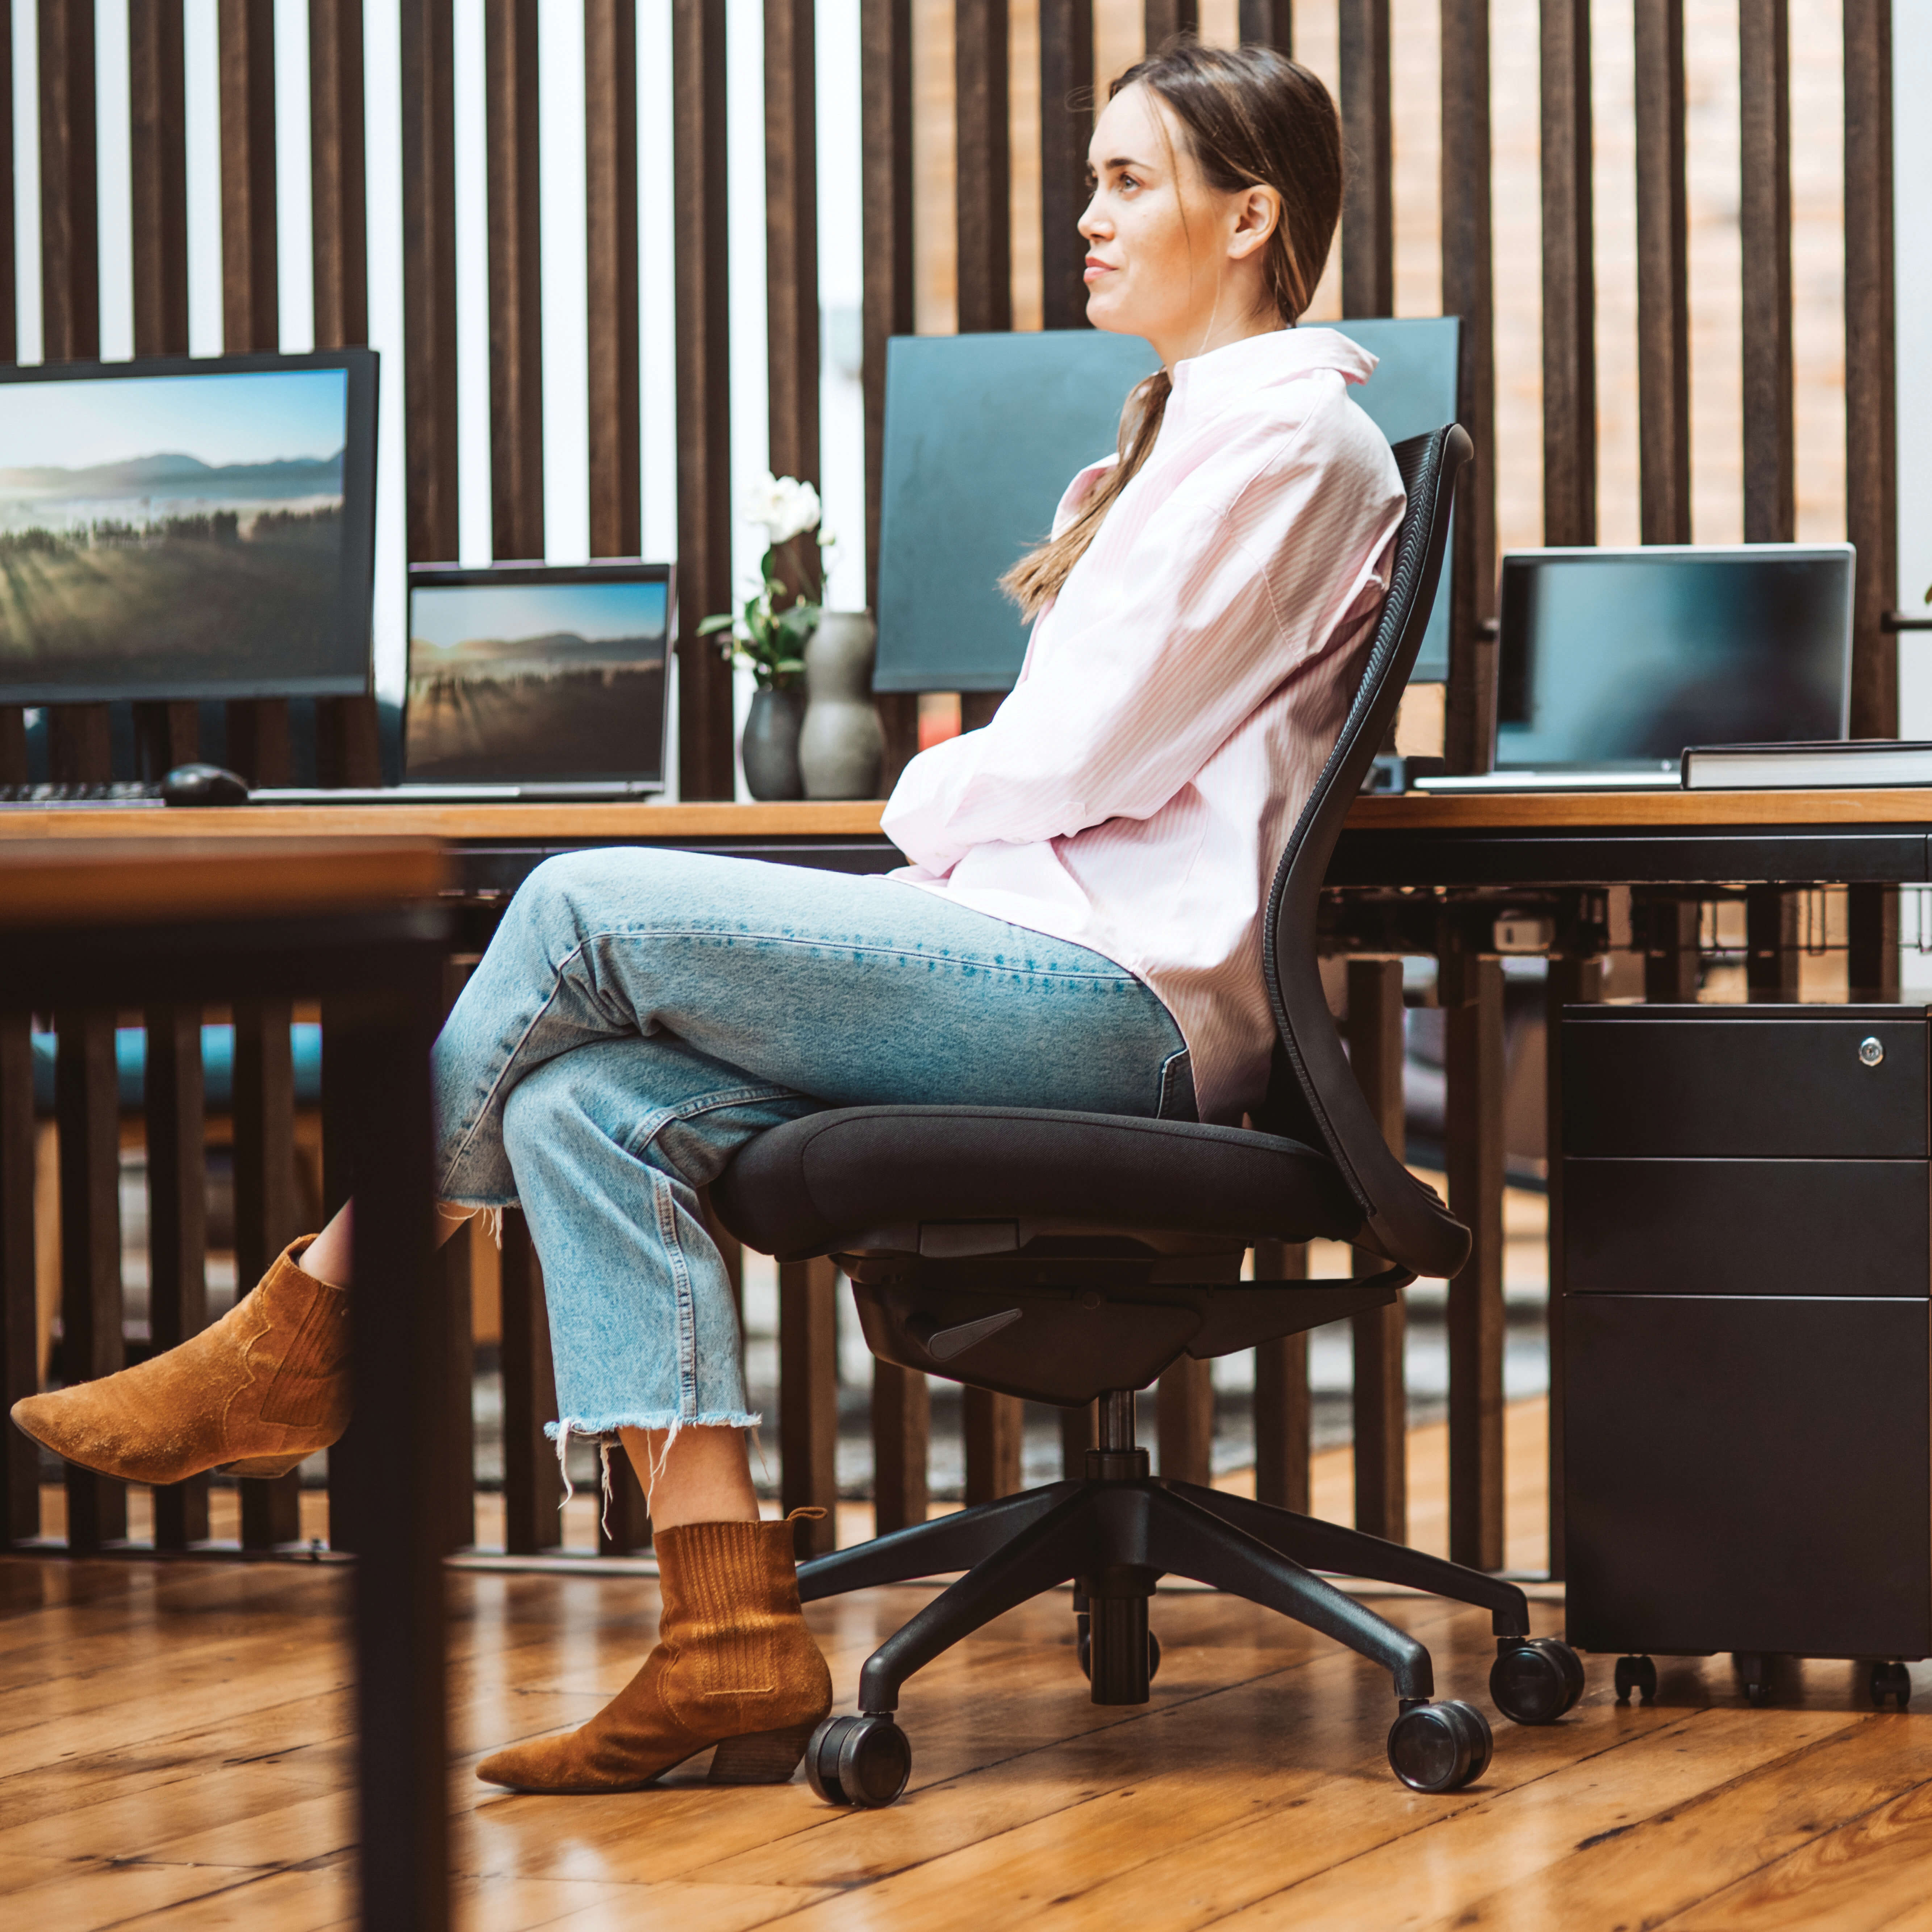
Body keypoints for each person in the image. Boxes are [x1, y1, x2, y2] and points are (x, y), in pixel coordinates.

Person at [11, 39, 1404, 1798]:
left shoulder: (1286, 438)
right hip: (1045, 955)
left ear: (1249, 210)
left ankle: (313, 1330)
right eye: (1095, 178)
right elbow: (1069, 767)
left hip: (1114, 1003)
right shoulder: (1191, 435)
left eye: (1128, 181)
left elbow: (1073, 756)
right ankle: (727, 1632)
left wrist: (927, 796)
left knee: (582, 897)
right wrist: (958, 807)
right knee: (571, 1104)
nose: (1087, 215)